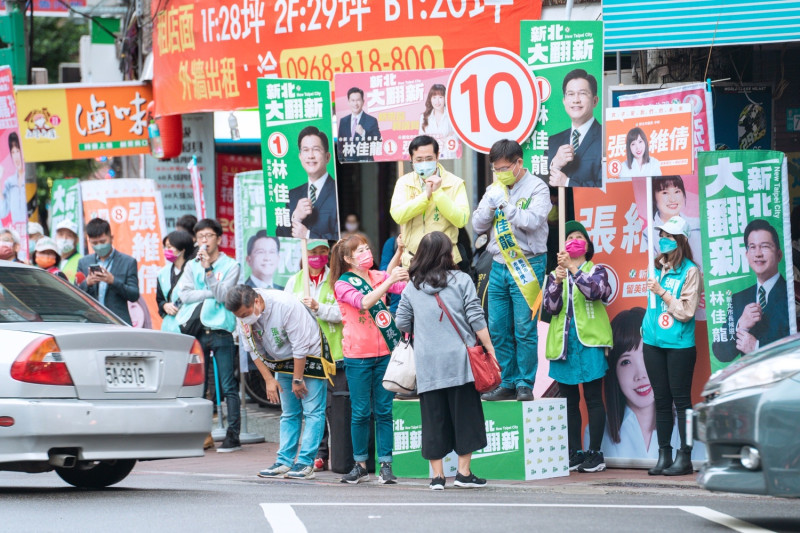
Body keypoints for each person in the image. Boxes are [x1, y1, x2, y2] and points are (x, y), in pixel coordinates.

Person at [395, 231, 493, 490]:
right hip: (460, 361)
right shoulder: (461, 279)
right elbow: (475, 315)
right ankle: (463, 473)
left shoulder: (412, 286)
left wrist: (424, 328)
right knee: (465, 417)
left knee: (433, 419)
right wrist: (490, 348)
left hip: (428, 364)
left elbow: (401, 322)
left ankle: (437, 477)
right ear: (447, 254)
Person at [226, 285, 332, 480]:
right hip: (282, 363)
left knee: (312, 411)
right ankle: (284, 461)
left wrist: (298, 379)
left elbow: (300, 347)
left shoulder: (284, 305)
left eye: (246, 313)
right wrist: (268, 379)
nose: (243, 319)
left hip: (310, 357)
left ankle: (305, 463)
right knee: (289, 412)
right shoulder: (244, 316)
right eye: (240, 316)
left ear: (257, 301)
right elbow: (252, 350)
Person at [472, 139, 551, 402]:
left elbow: (532, 221)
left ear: (519, 163)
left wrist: (506, 206)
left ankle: (525, 383)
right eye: (496, 169)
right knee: (497, 327)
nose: (500, 173)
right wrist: (491, 204)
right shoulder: (494, 188)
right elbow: (477, 223)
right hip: (498, 265)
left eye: (505, 168)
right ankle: (507, 380)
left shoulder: (538, 188)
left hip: (528, 264)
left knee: (524, 328)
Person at [329, 233, 408, 484]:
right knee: (361, 412)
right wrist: (389, 279)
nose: (366, 253)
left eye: (366, 248)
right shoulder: (342, 284)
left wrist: (400, 255)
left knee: (384, 411)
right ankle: (360, 464)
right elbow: (364, 302)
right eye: (360, 251)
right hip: (357, 357)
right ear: (347, 258)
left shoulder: (377, 276)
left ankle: (386, 464)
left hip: (384, 354)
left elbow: (399, 284)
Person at [543, 220, 612, 473]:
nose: (573, 240)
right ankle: (575, 451)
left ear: (587, 245)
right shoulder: (554, 274)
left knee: (593, 397)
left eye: (578, 237)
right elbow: (550, 309)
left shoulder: (598, 270)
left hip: (590, 342)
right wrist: (557, 282)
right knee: (569, 401)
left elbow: (596, 292)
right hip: (564, 343)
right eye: (569, 237)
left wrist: (573, 269)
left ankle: (595, 453)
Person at [642, 215, 702, 476]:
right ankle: (664, 453)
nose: (663, 240)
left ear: (680, 240)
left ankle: (685, 456)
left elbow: (687, 312)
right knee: (661, 400)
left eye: (668, 236)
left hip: (679, 346)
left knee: (682, 401)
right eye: (661, 235)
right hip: (653, 343)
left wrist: (662, 292)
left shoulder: (690, 271)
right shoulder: (655, 268)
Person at [177, 218, 242, 453]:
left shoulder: (231, 265)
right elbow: (184, 295)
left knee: (227, 384)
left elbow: (225, 296)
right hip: (197, 330)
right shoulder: (191, 265)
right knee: (198, 385)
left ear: (219, 239)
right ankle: (203, 436)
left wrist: (208, 271)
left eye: (209, 236)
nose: (204, 241)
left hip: (222, 329)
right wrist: (209, 291)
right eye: (200, 237)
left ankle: (233, 435)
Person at [283, 239, 345, 472]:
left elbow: (344, 313)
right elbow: (285, 313)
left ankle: (340, 453)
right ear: (304, 253)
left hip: (333, 354)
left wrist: (320, 308)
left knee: (333, 407)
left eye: (322, 252)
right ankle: (320, 454)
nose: (317, 256)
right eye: (312, 252)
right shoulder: (294, 281)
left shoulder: (337, 280)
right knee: (312, 407)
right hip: (305, 356)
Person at [712, 219, 790, 362]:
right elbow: (720, 352)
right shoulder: (739, 298)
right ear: (747, 254)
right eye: (752, 247)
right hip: (748, 380)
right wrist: (741, 326)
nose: (758, 254)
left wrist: (757, 347)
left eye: (765, 246)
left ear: (779, 255)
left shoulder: (792, 293)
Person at [390, 135, 469, 268]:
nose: (424, 164)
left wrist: (438, 193)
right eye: (419, 160)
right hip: (413, 260)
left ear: (437, 156)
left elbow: (461, 220)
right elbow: (398, 216)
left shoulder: (455, 183)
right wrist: (425, 196)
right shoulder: (404, 182)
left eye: (429, 159)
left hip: (445, 261)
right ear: (411, 159)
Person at [277, 126, 339, 240]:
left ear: (327, 157)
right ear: (300, 157)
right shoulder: (292, 195)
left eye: (316, 149)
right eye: (305, 150)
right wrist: (295, 218)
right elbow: (280, 236)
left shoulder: (338, 191)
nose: (310, 155)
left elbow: (343, 237)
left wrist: (308, 235)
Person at [77, 218, 140, 324]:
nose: (99, 246)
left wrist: (113, 281)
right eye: (94, 243)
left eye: (102, 241)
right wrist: (87, 283)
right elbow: (75, 293)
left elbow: (134, 295)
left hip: (118, 322)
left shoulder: (128, 262)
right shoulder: (84, 262)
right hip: (91, 322)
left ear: (111, 238)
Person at [548, 69, 602, 188]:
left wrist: (567, 183)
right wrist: (555, 165)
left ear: (595, 101)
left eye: (582, 93)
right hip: (558, 207)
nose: (576, 100)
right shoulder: (553, 141)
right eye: (571, 94)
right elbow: (542, 187)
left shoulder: (606, 137)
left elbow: (608, 187)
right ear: (564, 101)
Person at [643, 175, 702, 263]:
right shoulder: (648, 234)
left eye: (677, 191)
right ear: (653, 197)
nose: (673, 199)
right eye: (665, 193)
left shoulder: (697, 226)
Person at [157, 230, 195, 333]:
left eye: (169, 247)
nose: (166, 250)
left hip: (189, 325)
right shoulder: (162, 273)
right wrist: (164, 306)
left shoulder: (195, 269)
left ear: (182, 249)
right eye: (165, 247)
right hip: (168, 327)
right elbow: (159, 299)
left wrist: (176, 305)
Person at [337, 87, 381, 162]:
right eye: (353, 100)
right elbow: (340, 145)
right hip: (347, 164)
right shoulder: (343, 121)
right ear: (348, 102)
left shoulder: (371, 120)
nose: (355, 104)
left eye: (358, 100)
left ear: (363, 101)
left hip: (365, 163)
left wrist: (363, 133)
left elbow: (378, 143)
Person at [418, 84, 457, 158]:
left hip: (449, 157)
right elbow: (421, 140)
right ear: (430, 99)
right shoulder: (424, 117)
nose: (437, 101)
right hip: (430, 157)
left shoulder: (452, 116)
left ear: (445, 99)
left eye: (440, 97)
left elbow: (455, 138)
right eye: (434, 97)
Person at [0, 133, 26, 225]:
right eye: (13, 152)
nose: (16, 157)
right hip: (16, 232)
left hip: (31, 230)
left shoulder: (29, 179)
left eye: (17, 151)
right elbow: (3, 213)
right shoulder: (9, 182)